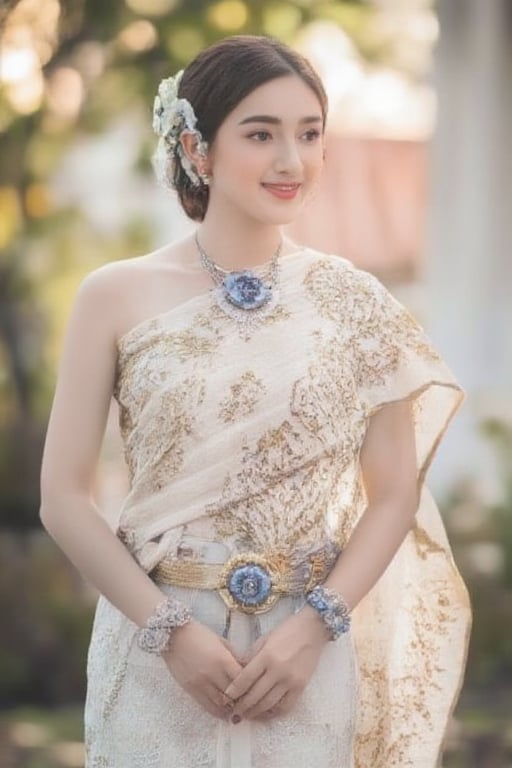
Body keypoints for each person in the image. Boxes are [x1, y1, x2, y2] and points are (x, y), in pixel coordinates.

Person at [40, 34, 471, 768]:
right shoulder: (114, 295)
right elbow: (63, 498)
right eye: (261, 134)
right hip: (156, 646)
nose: (291, 162)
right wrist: (170, 634)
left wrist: (312, 632)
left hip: (303, 653)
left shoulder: (357, 303)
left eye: (309, 135)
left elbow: (394, 494)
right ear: (197, 148)